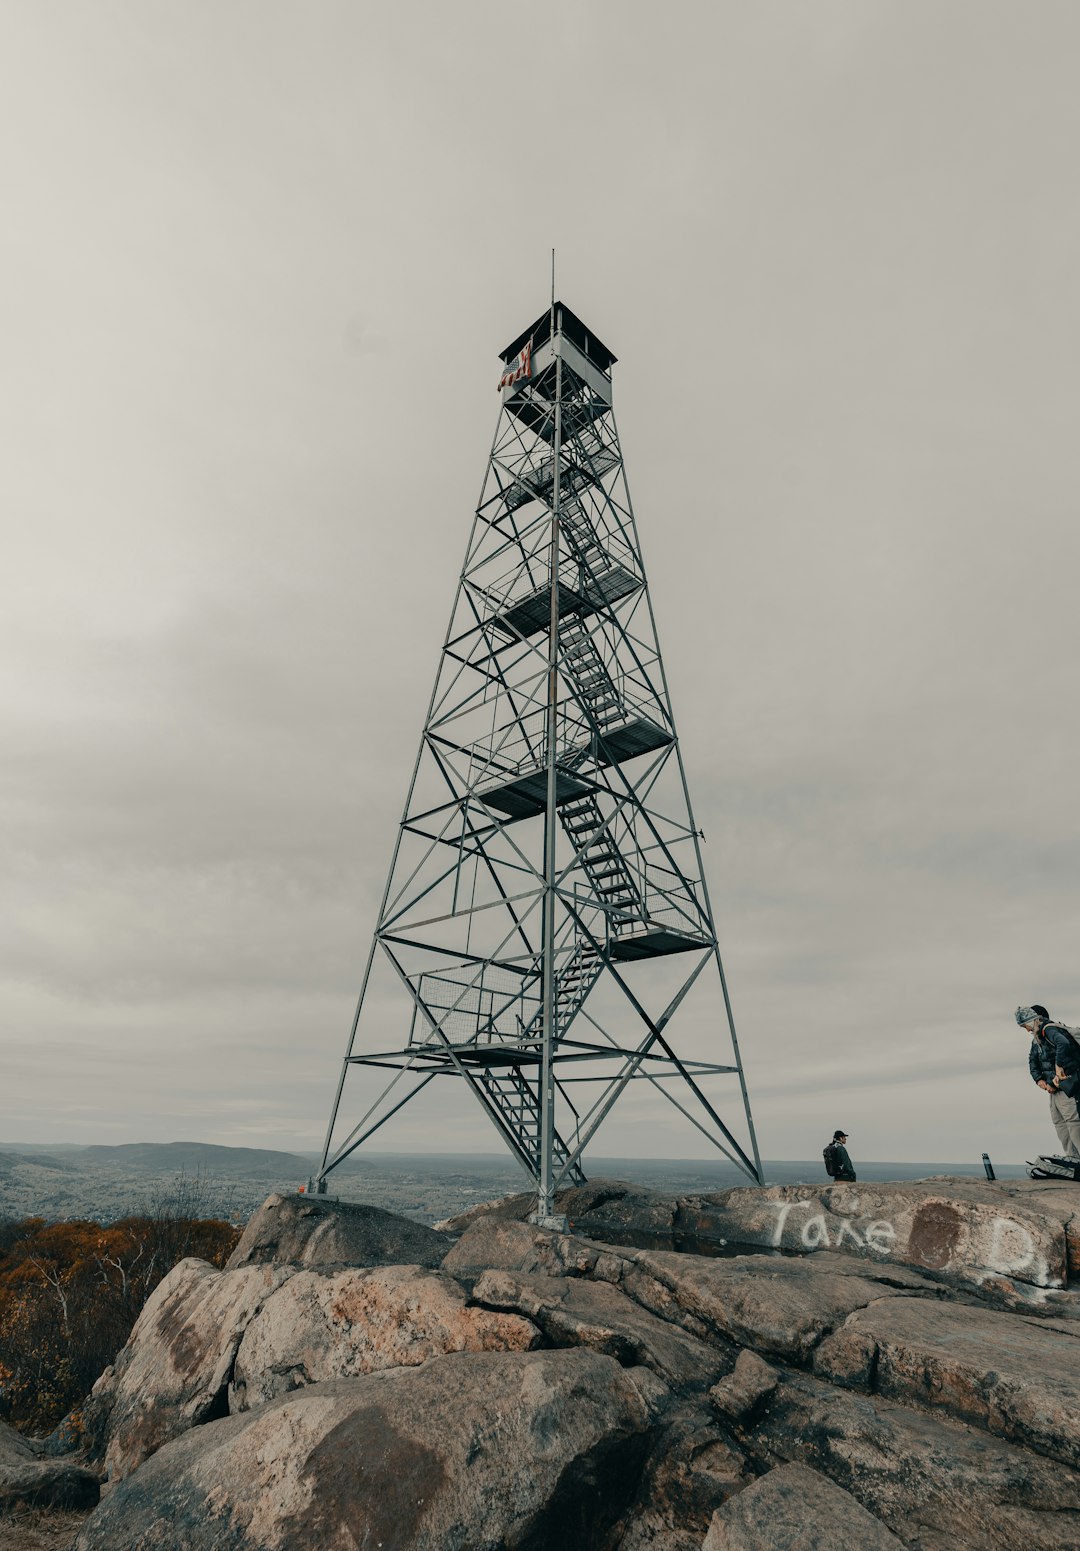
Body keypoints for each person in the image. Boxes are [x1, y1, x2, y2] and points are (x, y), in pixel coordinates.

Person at [1016, 1004, 1080, 1159]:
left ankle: (1076, 1158)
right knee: (1060, 1123)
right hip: (1054, 1089)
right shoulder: (1037, 1040)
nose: (1028, 1030)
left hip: (1068, 1087)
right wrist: (1039, 1080)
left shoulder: (1049, 1030)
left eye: (1026, 1026)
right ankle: (1073, 1159)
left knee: (1073, 1122)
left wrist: (1056, 1073)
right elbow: (1033, 1062)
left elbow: (1064, 1046)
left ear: (1035, 1019)